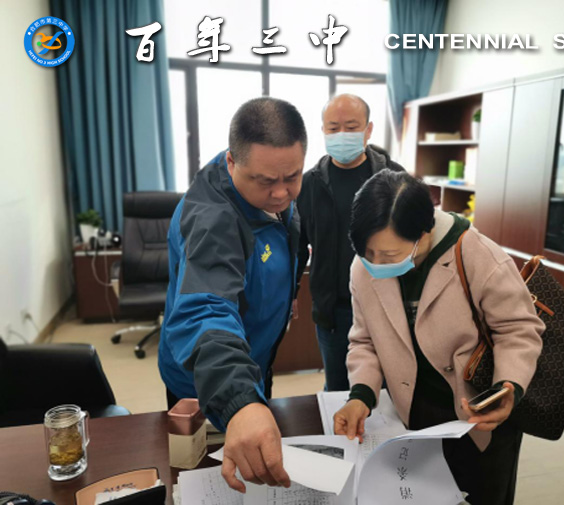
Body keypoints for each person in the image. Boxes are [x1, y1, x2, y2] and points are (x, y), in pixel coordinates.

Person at [333, 170, 544, 504]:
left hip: (478, 416)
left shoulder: (478, 256)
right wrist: (361, 395)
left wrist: (509, 387)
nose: (376, 264)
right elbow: (365, 340)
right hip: (412, 418)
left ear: (423, 233)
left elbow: (518, 329)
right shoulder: (364, 267)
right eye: (367, 253)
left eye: (389, 256)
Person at [158, 97, 307, 493]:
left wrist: (288, 291)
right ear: (231, 162)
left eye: (292, 177)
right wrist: (239, 401)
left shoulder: (272, 183)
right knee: (208, 479)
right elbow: (205, 311)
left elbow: (289, 237)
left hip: (253, 360)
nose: (282, 193)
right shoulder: (213, 220)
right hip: (207, 376)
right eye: (266, 181)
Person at [296, 94, 404, 391]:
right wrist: (290, 292)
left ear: (368, 130)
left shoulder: (395, 179)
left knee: (392, 390)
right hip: (334, 312)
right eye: (333, 128)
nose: (341, 134)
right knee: (339, 390)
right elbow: (296, 245)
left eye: (351, 127)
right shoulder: (309, 184)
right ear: (323, 130)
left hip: (388, 306)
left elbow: (416, 240)